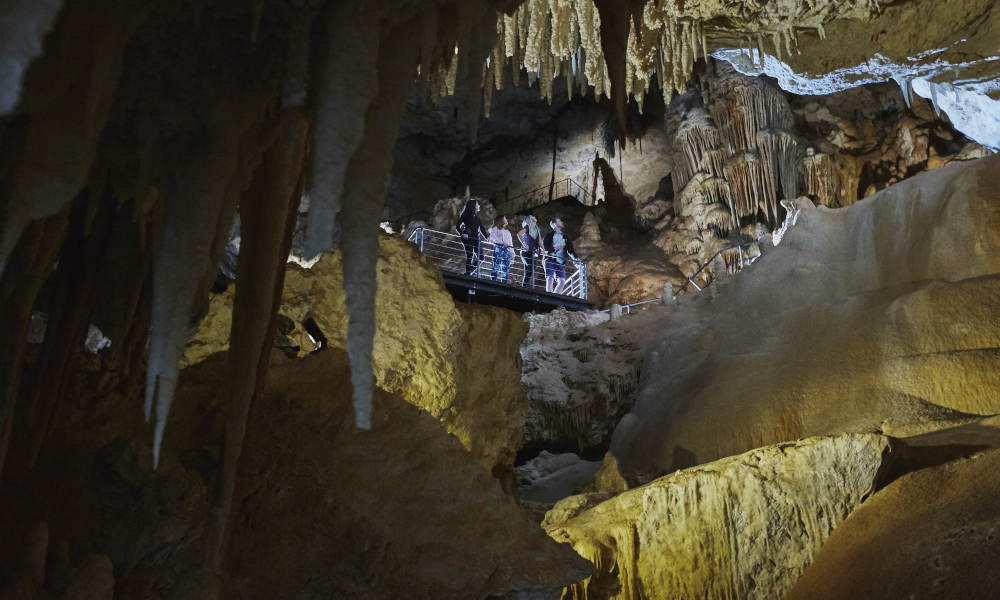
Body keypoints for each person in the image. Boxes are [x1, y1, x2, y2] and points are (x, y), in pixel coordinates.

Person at [456, 199, 488, 276]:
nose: (479, 205)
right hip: (468, 238)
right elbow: (457, 226)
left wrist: (488, 238)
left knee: (481, 257)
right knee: (470, 256)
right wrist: (462, 233)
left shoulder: (477, 217)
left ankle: (469, 272)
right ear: (473, 206)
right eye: (477, 204)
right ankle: (468, 273)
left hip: (476, 238)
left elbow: (482, 228)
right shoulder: (465, 215)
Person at [543, 217, 575, 294]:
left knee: (562, 282)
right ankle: (549, 297)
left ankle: (555, 297)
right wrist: (555, 249)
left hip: (559, 261)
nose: (561, 222)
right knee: (550, 278)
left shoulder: (565, 237)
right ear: (554, 224)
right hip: (549, 259)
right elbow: (545, 247)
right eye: (559, 221)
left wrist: (576, 259)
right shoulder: (548, 236)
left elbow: (570, 250)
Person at [517, 214, 541, 287]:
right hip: (525, 252)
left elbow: (540, 242)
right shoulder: (527, 227)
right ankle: (524, 285)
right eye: (532, 216)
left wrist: (543, 250)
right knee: (532, 267)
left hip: (532, 253)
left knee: (528, 270)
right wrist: (524, 244)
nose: (534, 217)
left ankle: (525, 285)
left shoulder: (537, 230)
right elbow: (519, 234)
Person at [489, 215, 514, 283]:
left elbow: (511, 243)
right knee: (496, 266)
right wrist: (501, 242)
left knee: (505, 269)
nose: (506, 220)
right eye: (505, 218)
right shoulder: (495, 229)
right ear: (501, 220)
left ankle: (504, 284)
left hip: (507, 250)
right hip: (498, 249)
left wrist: (513, 254)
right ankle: (494, 282)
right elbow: (491, 239)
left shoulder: (508, 232)